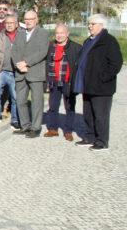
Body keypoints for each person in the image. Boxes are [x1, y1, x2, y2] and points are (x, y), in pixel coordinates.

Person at [73, 14, 122, 151]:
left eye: (92, 24)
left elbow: (116, 64)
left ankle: (102, 141)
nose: (89, 26)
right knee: (88, 114)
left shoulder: (109, 41)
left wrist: (102, 77)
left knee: (101, 115)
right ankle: (90, 137)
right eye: (89, 24)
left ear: (101, 25)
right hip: (87, 85)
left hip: (101, 87)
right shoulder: (88, 40)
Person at [11, 10, 51, 138]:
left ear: (36, 19)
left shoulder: (43, 33)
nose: (28, 21)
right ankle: (25, 125)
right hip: (21, 73)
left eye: (31, 19)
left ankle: (35, 127)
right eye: (26, 19)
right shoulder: (20, 34)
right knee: (21, 100)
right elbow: (14, 51)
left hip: (35, 72)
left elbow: (42, 51)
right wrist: (19, 64)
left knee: (37, 101)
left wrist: (26, 63)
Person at [44, 24, 82, 140]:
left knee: (69, 108)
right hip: (54, 81)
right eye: (57, 33)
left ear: (67, 34)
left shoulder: (76, 47)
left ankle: (68, 130)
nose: (59, 36)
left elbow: (79, 67)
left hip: (68, 83)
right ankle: (53, 128)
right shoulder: (51, 46)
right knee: (53, 106)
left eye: (62, 33)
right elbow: (46, 64)